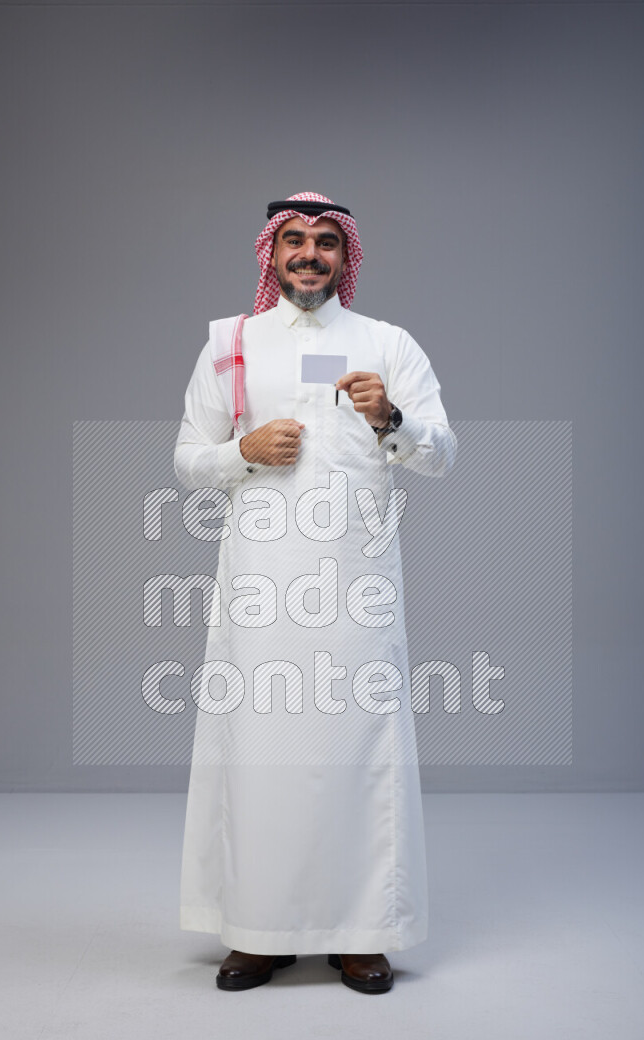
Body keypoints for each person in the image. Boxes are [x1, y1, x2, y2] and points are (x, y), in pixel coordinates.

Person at [173, 191, 456, 994]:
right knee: (260, 755)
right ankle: (259, 931)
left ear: (346, 256)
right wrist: (242, 451)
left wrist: (390, 418)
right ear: (271, 253)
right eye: (293, 240)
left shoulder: (387, 344)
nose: (308, 254)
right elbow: (187, 458)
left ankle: (361, 933)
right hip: (262, 592)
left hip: (356, 593)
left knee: (357, 754)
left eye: (325, 242)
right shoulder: (231, 344)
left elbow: (441, 453)